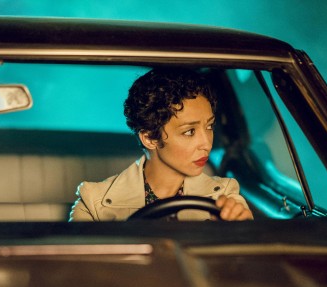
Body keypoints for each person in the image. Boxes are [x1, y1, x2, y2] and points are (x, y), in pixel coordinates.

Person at [69, 67, 253, 222]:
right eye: (189, 131)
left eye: (210, 126)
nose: (206, 144)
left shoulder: (225, 195)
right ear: (150, 138)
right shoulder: (93, 203)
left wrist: (239, 227)